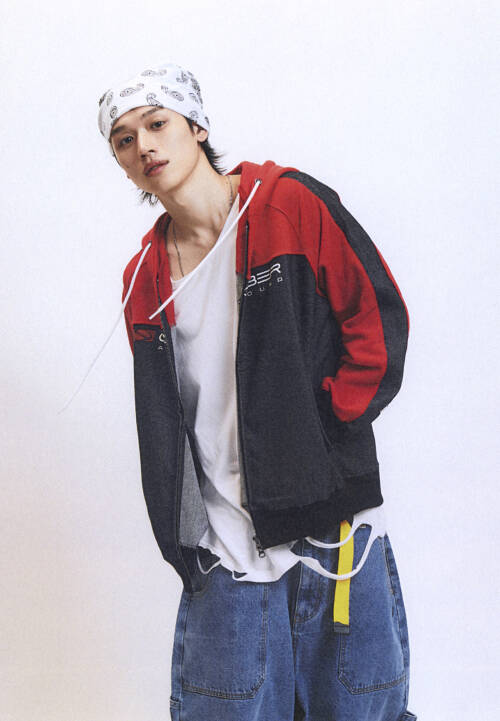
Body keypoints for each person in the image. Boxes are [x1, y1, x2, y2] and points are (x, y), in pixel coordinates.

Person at [97, 62, 417, 721]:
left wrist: (326, 431)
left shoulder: (288, 206)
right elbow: (168, 418)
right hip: (226, 552)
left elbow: (378, 320)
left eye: (156, 124)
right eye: (124, 140)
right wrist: (181, 535)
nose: (144, 146)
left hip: (337, 534)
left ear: (196, 126)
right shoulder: (143, 277)